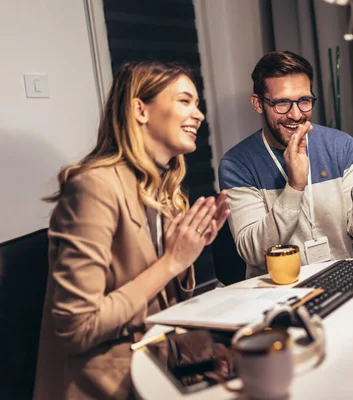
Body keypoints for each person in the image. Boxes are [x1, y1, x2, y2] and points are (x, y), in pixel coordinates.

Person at [34, 61, 230, 399]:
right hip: (104, 385)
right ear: (140, 109)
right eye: (185, 101)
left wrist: (203, 354)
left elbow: (158, 306)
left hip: (158, 366)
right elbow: (77, 328)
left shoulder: (165, 190)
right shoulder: (93, 185)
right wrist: (171, 261)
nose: (198, 114)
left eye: (197, 104)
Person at [218, 50, 353, 278]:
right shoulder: (237, 164)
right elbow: (254, 253)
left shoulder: (341, 146)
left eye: (304, 101)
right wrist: (294, 188)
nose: (296, 114)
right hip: (274, 295)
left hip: (341, 281)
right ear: (258, 103)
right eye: (282, 103)